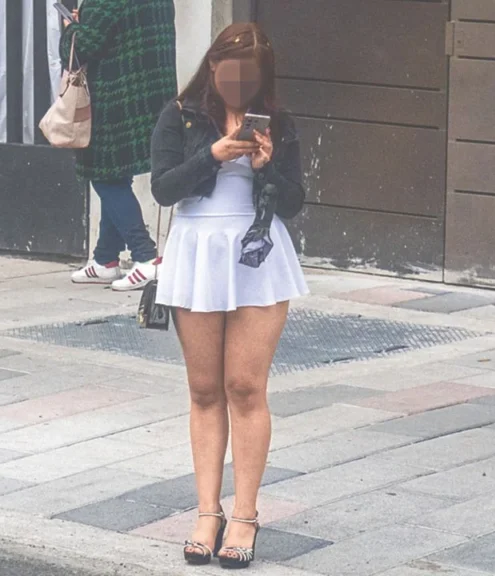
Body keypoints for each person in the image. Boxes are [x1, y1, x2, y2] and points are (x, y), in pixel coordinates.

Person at [149, 23, 308, 569]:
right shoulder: (181, 115)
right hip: (198, 250)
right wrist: (213, 156)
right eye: (229, 72)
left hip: (258, 252)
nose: (237, 84)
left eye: (250, 77)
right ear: (213, 66)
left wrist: (267, 168)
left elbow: (294, 202)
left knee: (245, 386)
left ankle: (245, 514)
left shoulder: (278, 123)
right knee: (203, 389)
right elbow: (164, 188)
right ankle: (206, 512)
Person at [60, 0, 178, 291]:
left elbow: (83, 46)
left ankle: (146, 256)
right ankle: (105, 259)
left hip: (116, 97)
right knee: (115, 174)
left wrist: (71, 28)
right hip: (151, 93)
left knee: (103, 174)